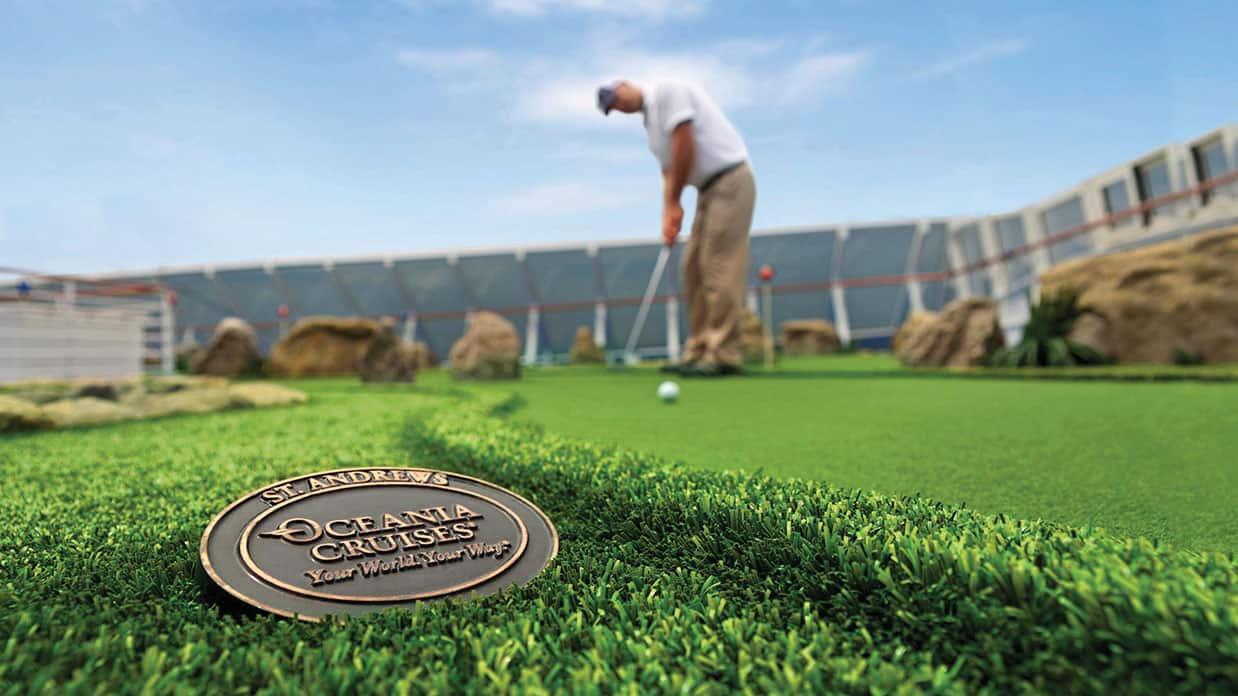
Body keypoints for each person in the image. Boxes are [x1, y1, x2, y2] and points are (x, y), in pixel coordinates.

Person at [597, 79, 756, 377]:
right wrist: (669, 212)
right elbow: (669, 171)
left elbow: (685, 142)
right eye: (613, 108)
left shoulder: (667, 93)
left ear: (624, 86)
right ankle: (698, 350)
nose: (619, 107)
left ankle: (723, 353)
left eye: (616, 99)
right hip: (707, 191)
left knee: (718, 267)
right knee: (692, 268)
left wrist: (674, 202)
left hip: (731, 179)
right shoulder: (651, 129)